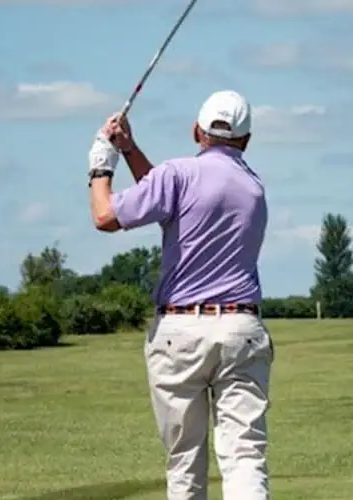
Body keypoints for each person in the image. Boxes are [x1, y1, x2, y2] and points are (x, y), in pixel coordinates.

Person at [85, 90, 274, 500]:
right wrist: (131, 150)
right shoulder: (254, 188)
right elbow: (171, 200)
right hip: (242, 329)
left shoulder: (177, 175)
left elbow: (106, 216)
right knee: (244, 459)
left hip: (179, 332)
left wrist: (102, 163)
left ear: (196, 131)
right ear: (246, 139)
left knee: (185, 462)